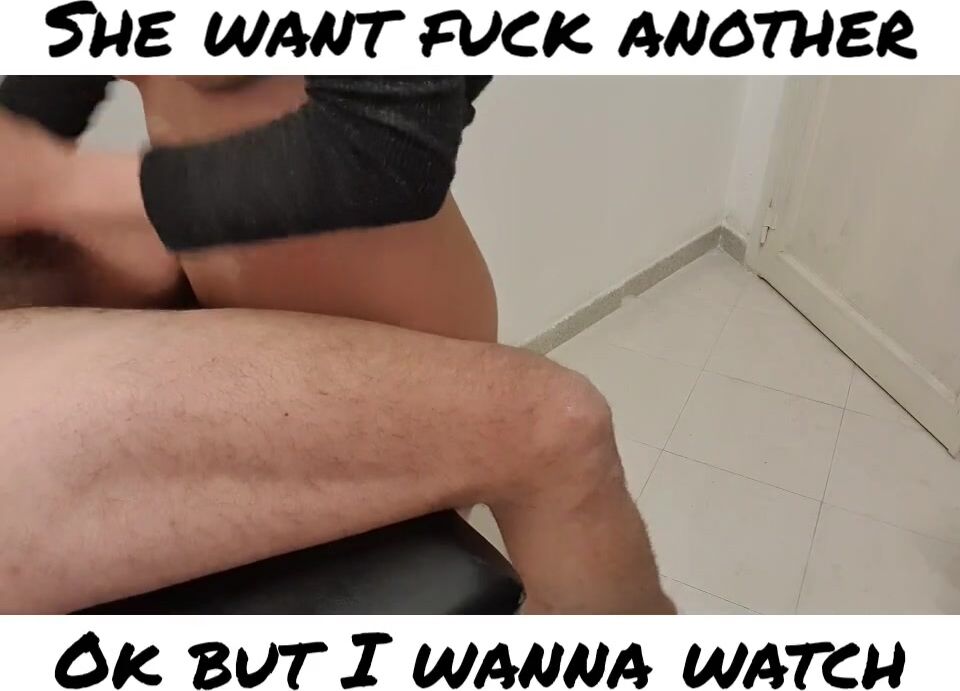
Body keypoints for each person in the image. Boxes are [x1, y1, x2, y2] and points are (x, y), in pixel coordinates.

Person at [0, 75, 675, 614]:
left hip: (400, 327)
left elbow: (387, 157)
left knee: (548, 448)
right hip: (242, 323)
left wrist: (67, 188)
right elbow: (40, 107)